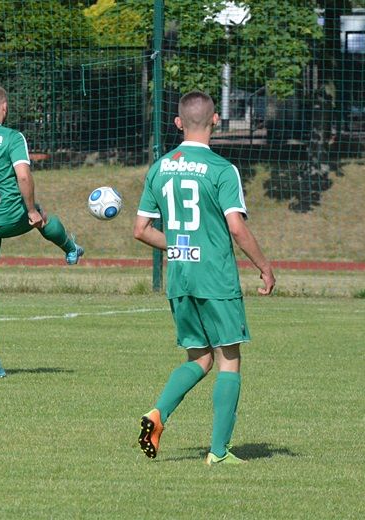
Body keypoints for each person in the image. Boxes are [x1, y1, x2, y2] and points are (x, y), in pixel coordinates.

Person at [133, 91, 276, 465]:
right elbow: (236, 228)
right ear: (215, 120)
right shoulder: (222, 169)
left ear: (178, 123)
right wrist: (264, 266)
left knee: (199, 358)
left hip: (180, 277)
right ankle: (218, 451)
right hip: (215, 277)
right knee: (229, 359)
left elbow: (141, 230)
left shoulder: (159, 168)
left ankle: (158, 413)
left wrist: (181, 247)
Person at [0, 84, 83, 379]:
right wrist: (30, 209)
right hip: (10, 214)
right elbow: (23, 175)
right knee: (42, 217)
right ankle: (71, 250)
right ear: (5, 107)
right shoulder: (12, 137)